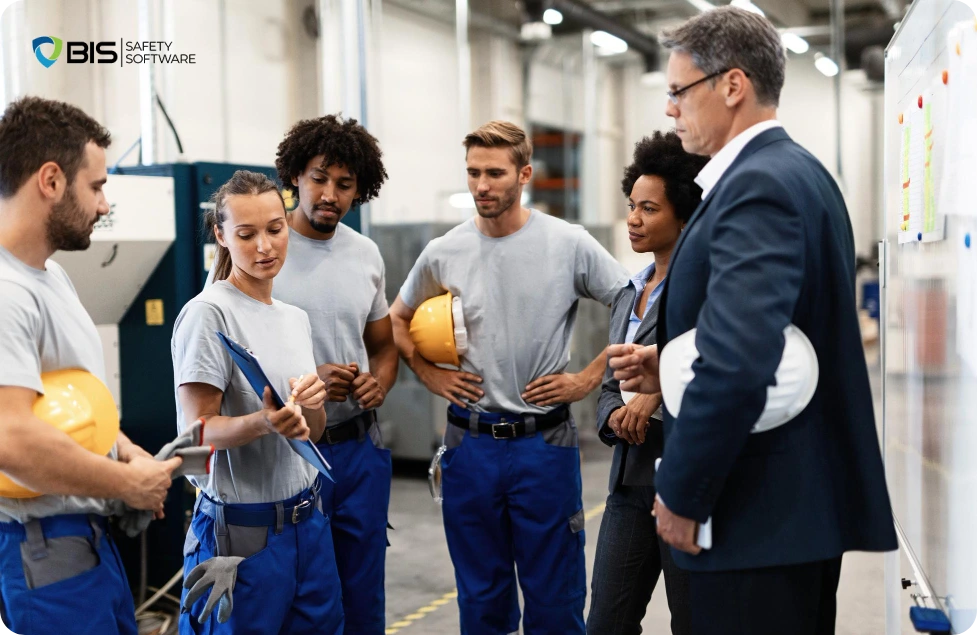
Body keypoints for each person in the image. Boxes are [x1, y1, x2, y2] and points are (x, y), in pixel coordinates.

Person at [609, 8, 897, 635]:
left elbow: (740, 359)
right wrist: (672, 361)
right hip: (786, 515)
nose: (670, 109)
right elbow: (775, 332)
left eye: (679, 91)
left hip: (756, 514)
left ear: (732, 85)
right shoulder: (797, 172)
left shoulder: (758, 186)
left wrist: (685, 491)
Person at [389, 120, 629, 635]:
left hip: (543, 444)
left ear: (524, 175)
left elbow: (634, 302)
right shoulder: (444, 251)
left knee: (556, 598)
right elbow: (396, 320)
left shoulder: (567, 243)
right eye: (473, 172)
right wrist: (429, 375)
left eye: (494, 173)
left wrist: (590, 377)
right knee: (482, 600)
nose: (481, 185)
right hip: (470, 445)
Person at [0, 96, 180, 635]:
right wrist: (125, 484)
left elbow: (73, 402)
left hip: (84, 536)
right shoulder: (7, 293)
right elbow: (12, 438)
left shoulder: (50, 276)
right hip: (41, 544)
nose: (103, 205)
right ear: (51, 181)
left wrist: (124, 450)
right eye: (97, 186)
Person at [172, 170, 342, 635]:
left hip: (308, 524)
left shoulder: (294, 318)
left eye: (275, 229)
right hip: (243, 535)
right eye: (246, 235)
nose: (265, 247)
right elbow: (196, 433)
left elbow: (313, 433)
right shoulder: (209, 313)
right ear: (221, 235)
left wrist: (312, 404)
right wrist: (264, 423)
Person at [272, 114, 396, 635]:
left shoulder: (365, 254)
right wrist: (307, 380)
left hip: (359, 453)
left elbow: (383, 347)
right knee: (299, 595)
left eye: (344, 184)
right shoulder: (264, 249)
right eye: (319, 178)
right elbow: (231, 355)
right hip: (290, 453)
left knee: (363, 591)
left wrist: (378, 382)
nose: (330, 194)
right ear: (295, 176)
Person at [587, 131, 706, 635]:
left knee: (693, 621)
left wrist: (652, 399)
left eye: (649, 209)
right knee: (606, 623)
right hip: (628, 479)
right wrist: (614, 415)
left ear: (683, 216)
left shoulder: (704, 291)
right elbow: (608, 381)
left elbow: (713, 367)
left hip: (684, 477)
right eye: (631, 206)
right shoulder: (627, 292)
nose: (633, 219)